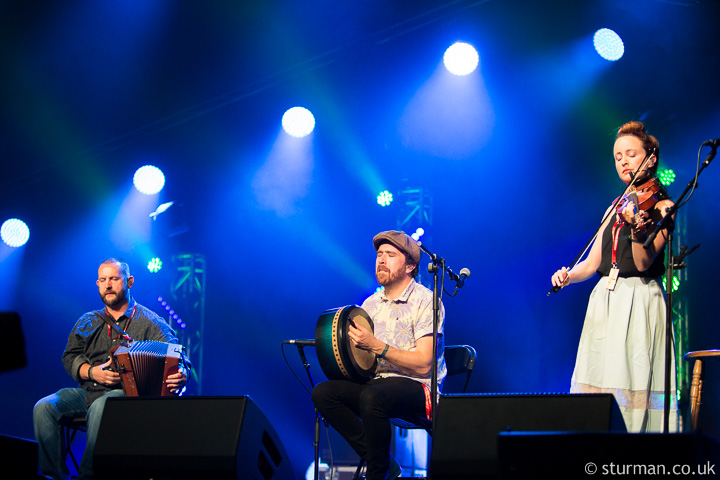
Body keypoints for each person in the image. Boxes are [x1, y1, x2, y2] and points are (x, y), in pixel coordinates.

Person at [551, 121, 677, 433]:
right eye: (617, 156)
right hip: (605, 299)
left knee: (631, 378)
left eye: (630, 154)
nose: (622, 160)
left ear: (650, 158)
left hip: (638, 298)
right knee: (599, 381)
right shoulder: (616, 206)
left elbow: (644, 260)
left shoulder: (663, 205)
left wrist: (637, 228)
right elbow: (592, 263)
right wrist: (568, 275)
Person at [33, 258, 189, 480]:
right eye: (103, 280)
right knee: (44, 407)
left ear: (129, 281)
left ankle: (88, 476)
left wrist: (182, 373)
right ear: (97, 284)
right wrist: (90, 371)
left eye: (114, 279)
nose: (108, 285)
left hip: (126, 397)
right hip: (87, 391)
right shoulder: (88, 321)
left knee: (101, 406)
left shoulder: (150, 322)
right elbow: (69, 356)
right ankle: (53, 477)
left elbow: (178, 357)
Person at [312, 230, 446, 480]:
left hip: (420, 387)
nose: (381, 260)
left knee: (374, 396)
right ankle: (383, 460)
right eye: (379, 254)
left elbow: (424, 365)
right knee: (324, 393)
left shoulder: (426, 301)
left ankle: (377, 473)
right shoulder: (370, 305)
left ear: (410, 266)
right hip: (380, 386)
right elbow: (361, 363)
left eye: (390, 255)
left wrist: (376, 345)